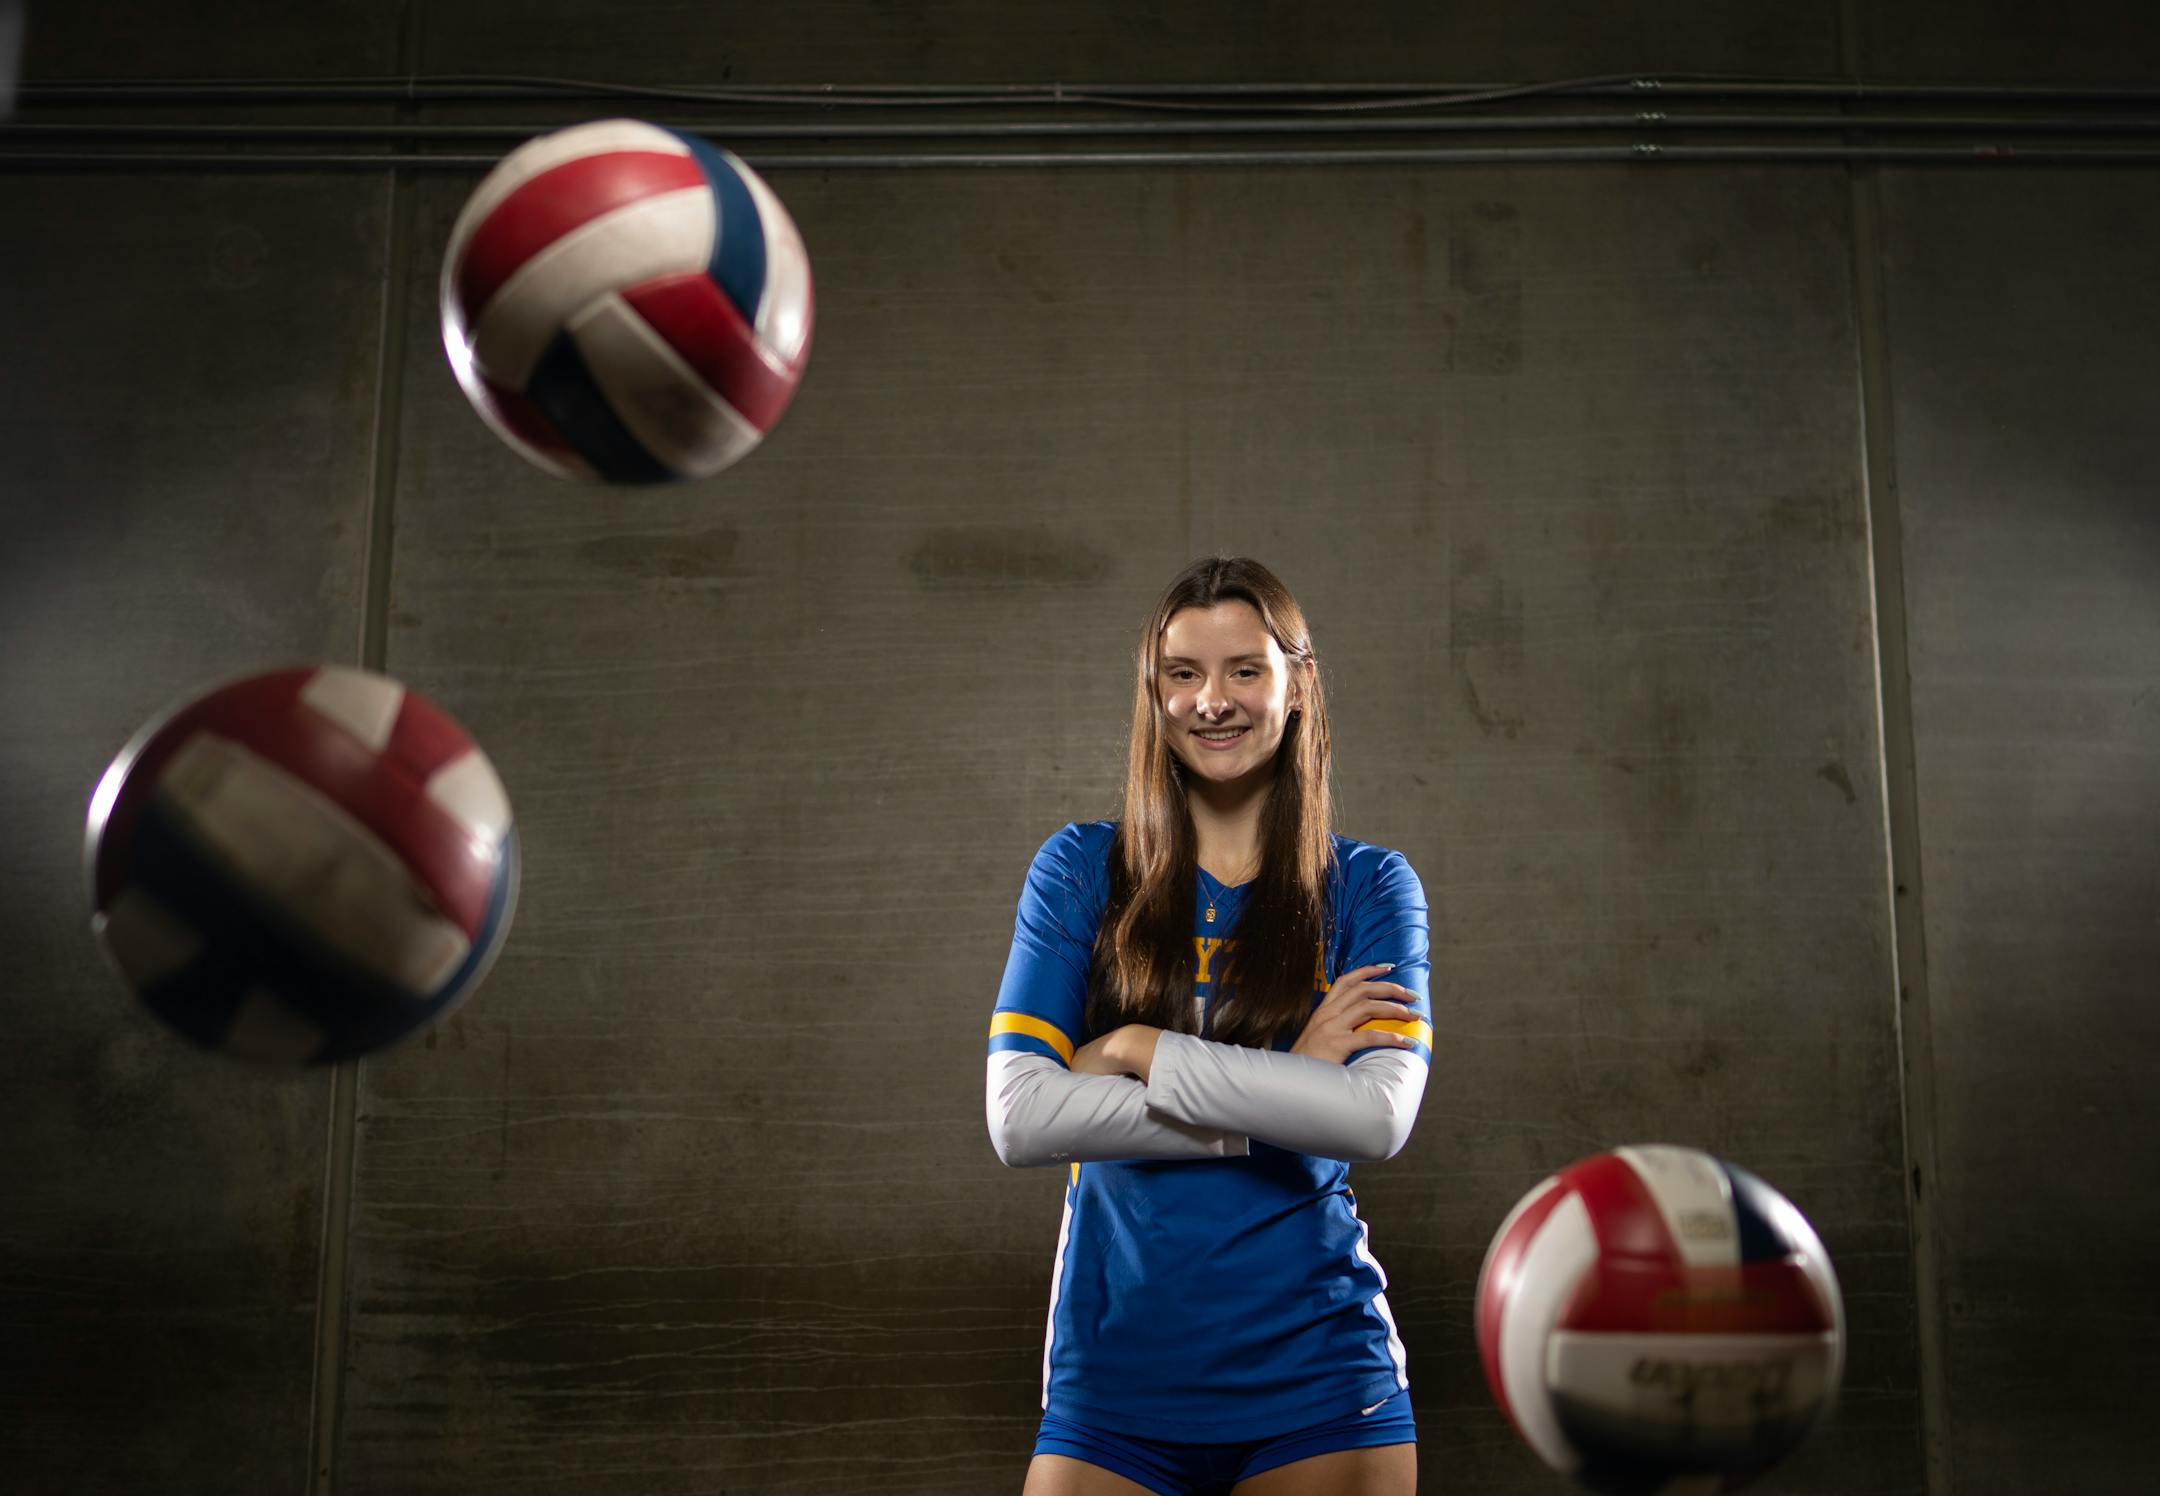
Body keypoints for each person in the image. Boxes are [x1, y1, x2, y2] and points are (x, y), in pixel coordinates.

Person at [986, 556, 1433, 1496]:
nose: (1210, 702)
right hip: (1112, 1383)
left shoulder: (1372, 888)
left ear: (1298, 683)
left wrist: (1135, 1052)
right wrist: (1282, 1093)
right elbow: (1022, 1119)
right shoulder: (1080, 870)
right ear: (1153, 691)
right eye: (1182, 673)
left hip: (1321, 1384)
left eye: (1244, 671)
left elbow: (1374, 1121)